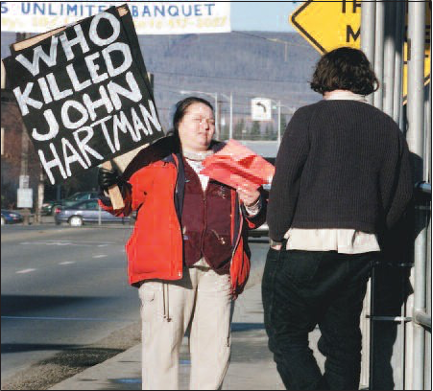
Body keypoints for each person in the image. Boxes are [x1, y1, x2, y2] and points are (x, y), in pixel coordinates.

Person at [262, 47, 413, 390]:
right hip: (359, 248)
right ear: (365, 80)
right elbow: (401, 194)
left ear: (324, 77)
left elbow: (285, 182)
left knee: (286, 336)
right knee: (344, 340)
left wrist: (278, 233)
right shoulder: (386, 127)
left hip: (304, 244)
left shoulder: (307, 118)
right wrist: (375, 230)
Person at [98, 96, 267, 390]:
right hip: (168, 271)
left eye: (211, 121)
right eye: (197, 119)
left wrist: (254, 203)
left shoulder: (235, 160)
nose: (206, 126)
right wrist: (109, 183)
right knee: (161, 351)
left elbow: (253, 216)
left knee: (215, 352)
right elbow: (123, 203)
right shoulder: (155, 161)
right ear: (178, 125)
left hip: (219, 270)